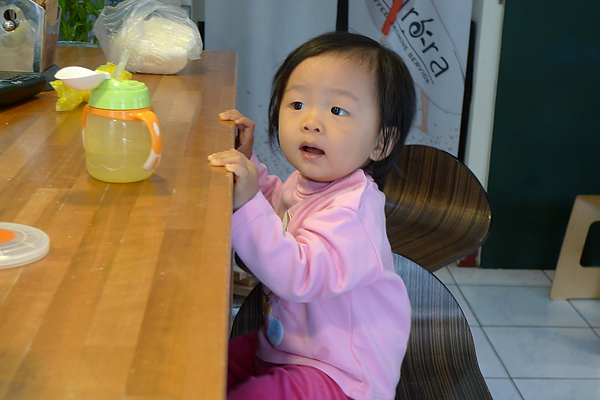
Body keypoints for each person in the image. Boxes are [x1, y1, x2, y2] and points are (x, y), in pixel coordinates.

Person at [208, 31, 416, 400]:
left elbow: (300, 274)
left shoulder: (353, 210)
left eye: (337, 110)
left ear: (380, 142)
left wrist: (246, 202)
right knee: (201, 364)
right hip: (285, 351)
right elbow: (276, 212)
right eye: (298, 104)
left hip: (339, 378)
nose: (311, 121)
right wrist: (248, 162)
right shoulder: (308, 183)